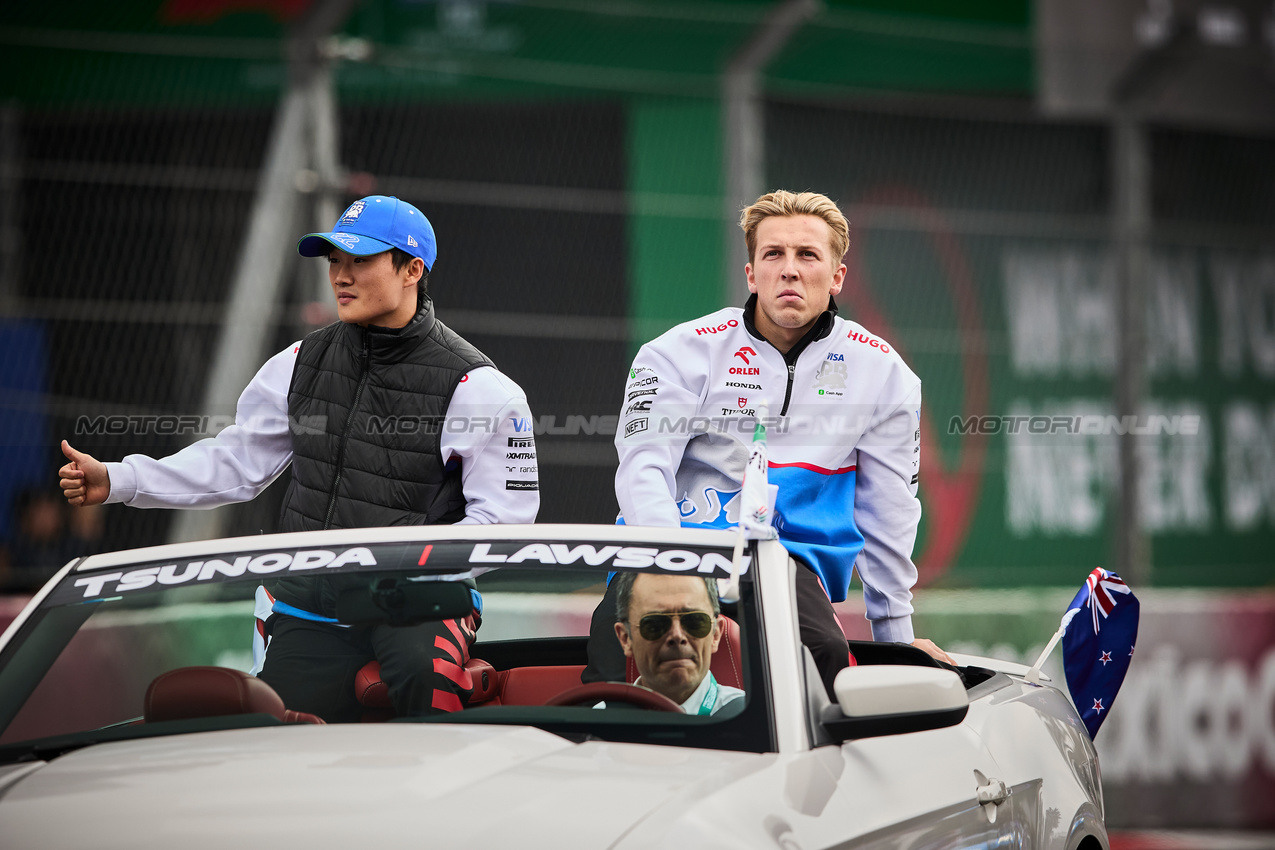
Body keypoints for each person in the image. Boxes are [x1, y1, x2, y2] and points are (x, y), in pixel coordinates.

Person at [58, 195, 539, 721]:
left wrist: (410, 577)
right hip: (310, 607)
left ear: (412, 269)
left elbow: (502, 522)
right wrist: (121, 479)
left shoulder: (480, 386)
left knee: (427, 700)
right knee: (276, 750)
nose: (341, 276)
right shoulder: (299, 362)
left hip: (419, 609)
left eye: (360, 261)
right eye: (334, 261)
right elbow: (236, 463)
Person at [586, 190, 951, 698]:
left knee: (822, 662)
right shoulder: (675, 352)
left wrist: (897, 640)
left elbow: (888, 516)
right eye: (773, 254)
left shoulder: (885, 375)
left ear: (837, 275)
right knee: (609, 651)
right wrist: (672, 566)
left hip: (787, 565)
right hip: (672, 549)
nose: (790, 270)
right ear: (751, 273)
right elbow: (642, 470)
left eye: (808, 255)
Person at [604, 571, 743, 715]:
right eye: (655, 624)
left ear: (716, 634)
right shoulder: (600, 721)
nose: (677, 635)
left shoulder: (755, 721)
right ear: (625, 638)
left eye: (694, 621)